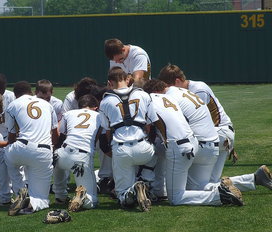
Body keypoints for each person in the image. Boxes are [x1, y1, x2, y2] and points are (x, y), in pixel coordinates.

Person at [142, 80, 243, 206]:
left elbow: (153, 129)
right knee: (198, 188)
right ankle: (247, 180)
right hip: (207, 142)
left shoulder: (160, 98)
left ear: (154, 92)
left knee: (175, 197)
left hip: (189, 145)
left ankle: (220, 195)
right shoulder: (181, 91)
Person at [157, 64, 238, 183]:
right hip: (219, 134)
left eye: (168, 86)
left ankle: (162, 185)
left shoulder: (199, 90)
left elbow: (203, 122)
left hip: (218, 133)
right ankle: (253, 178)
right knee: (211, 182)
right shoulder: (189, 89)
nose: (166, 91)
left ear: (177, 81)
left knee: (175, 148)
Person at [99, 67, 157, 211]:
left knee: (122, 194)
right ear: (127, 79)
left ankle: (131, 191)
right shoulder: (143, 95)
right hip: (143, 149)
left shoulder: (105, 101)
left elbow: (105, 132)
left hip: (121, 149)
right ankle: (146, 181)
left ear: (109, 83)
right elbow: (152, 127)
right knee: (156, 151)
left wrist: (110, 151)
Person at [3, 81, 58, 216]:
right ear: (32, 92)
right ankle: (31, 203)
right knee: (43, 199)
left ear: (15, 95)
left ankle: (19, 192)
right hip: (44, 151)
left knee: (7, 155)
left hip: (21, 147)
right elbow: (55, 134)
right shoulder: (47, 105)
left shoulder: (13, 104)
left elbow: (10, 137)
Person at [53, 94, 102, 212]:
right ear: (95, 107)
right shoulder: (99, 116)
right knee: (92, 200)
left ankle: (60, 196)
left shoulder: (68, 114)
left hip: (62, 152)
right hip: (81, 156)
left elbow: (61, 136)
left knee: (57, 163)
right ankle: (82, 198)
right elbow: (101, 138)